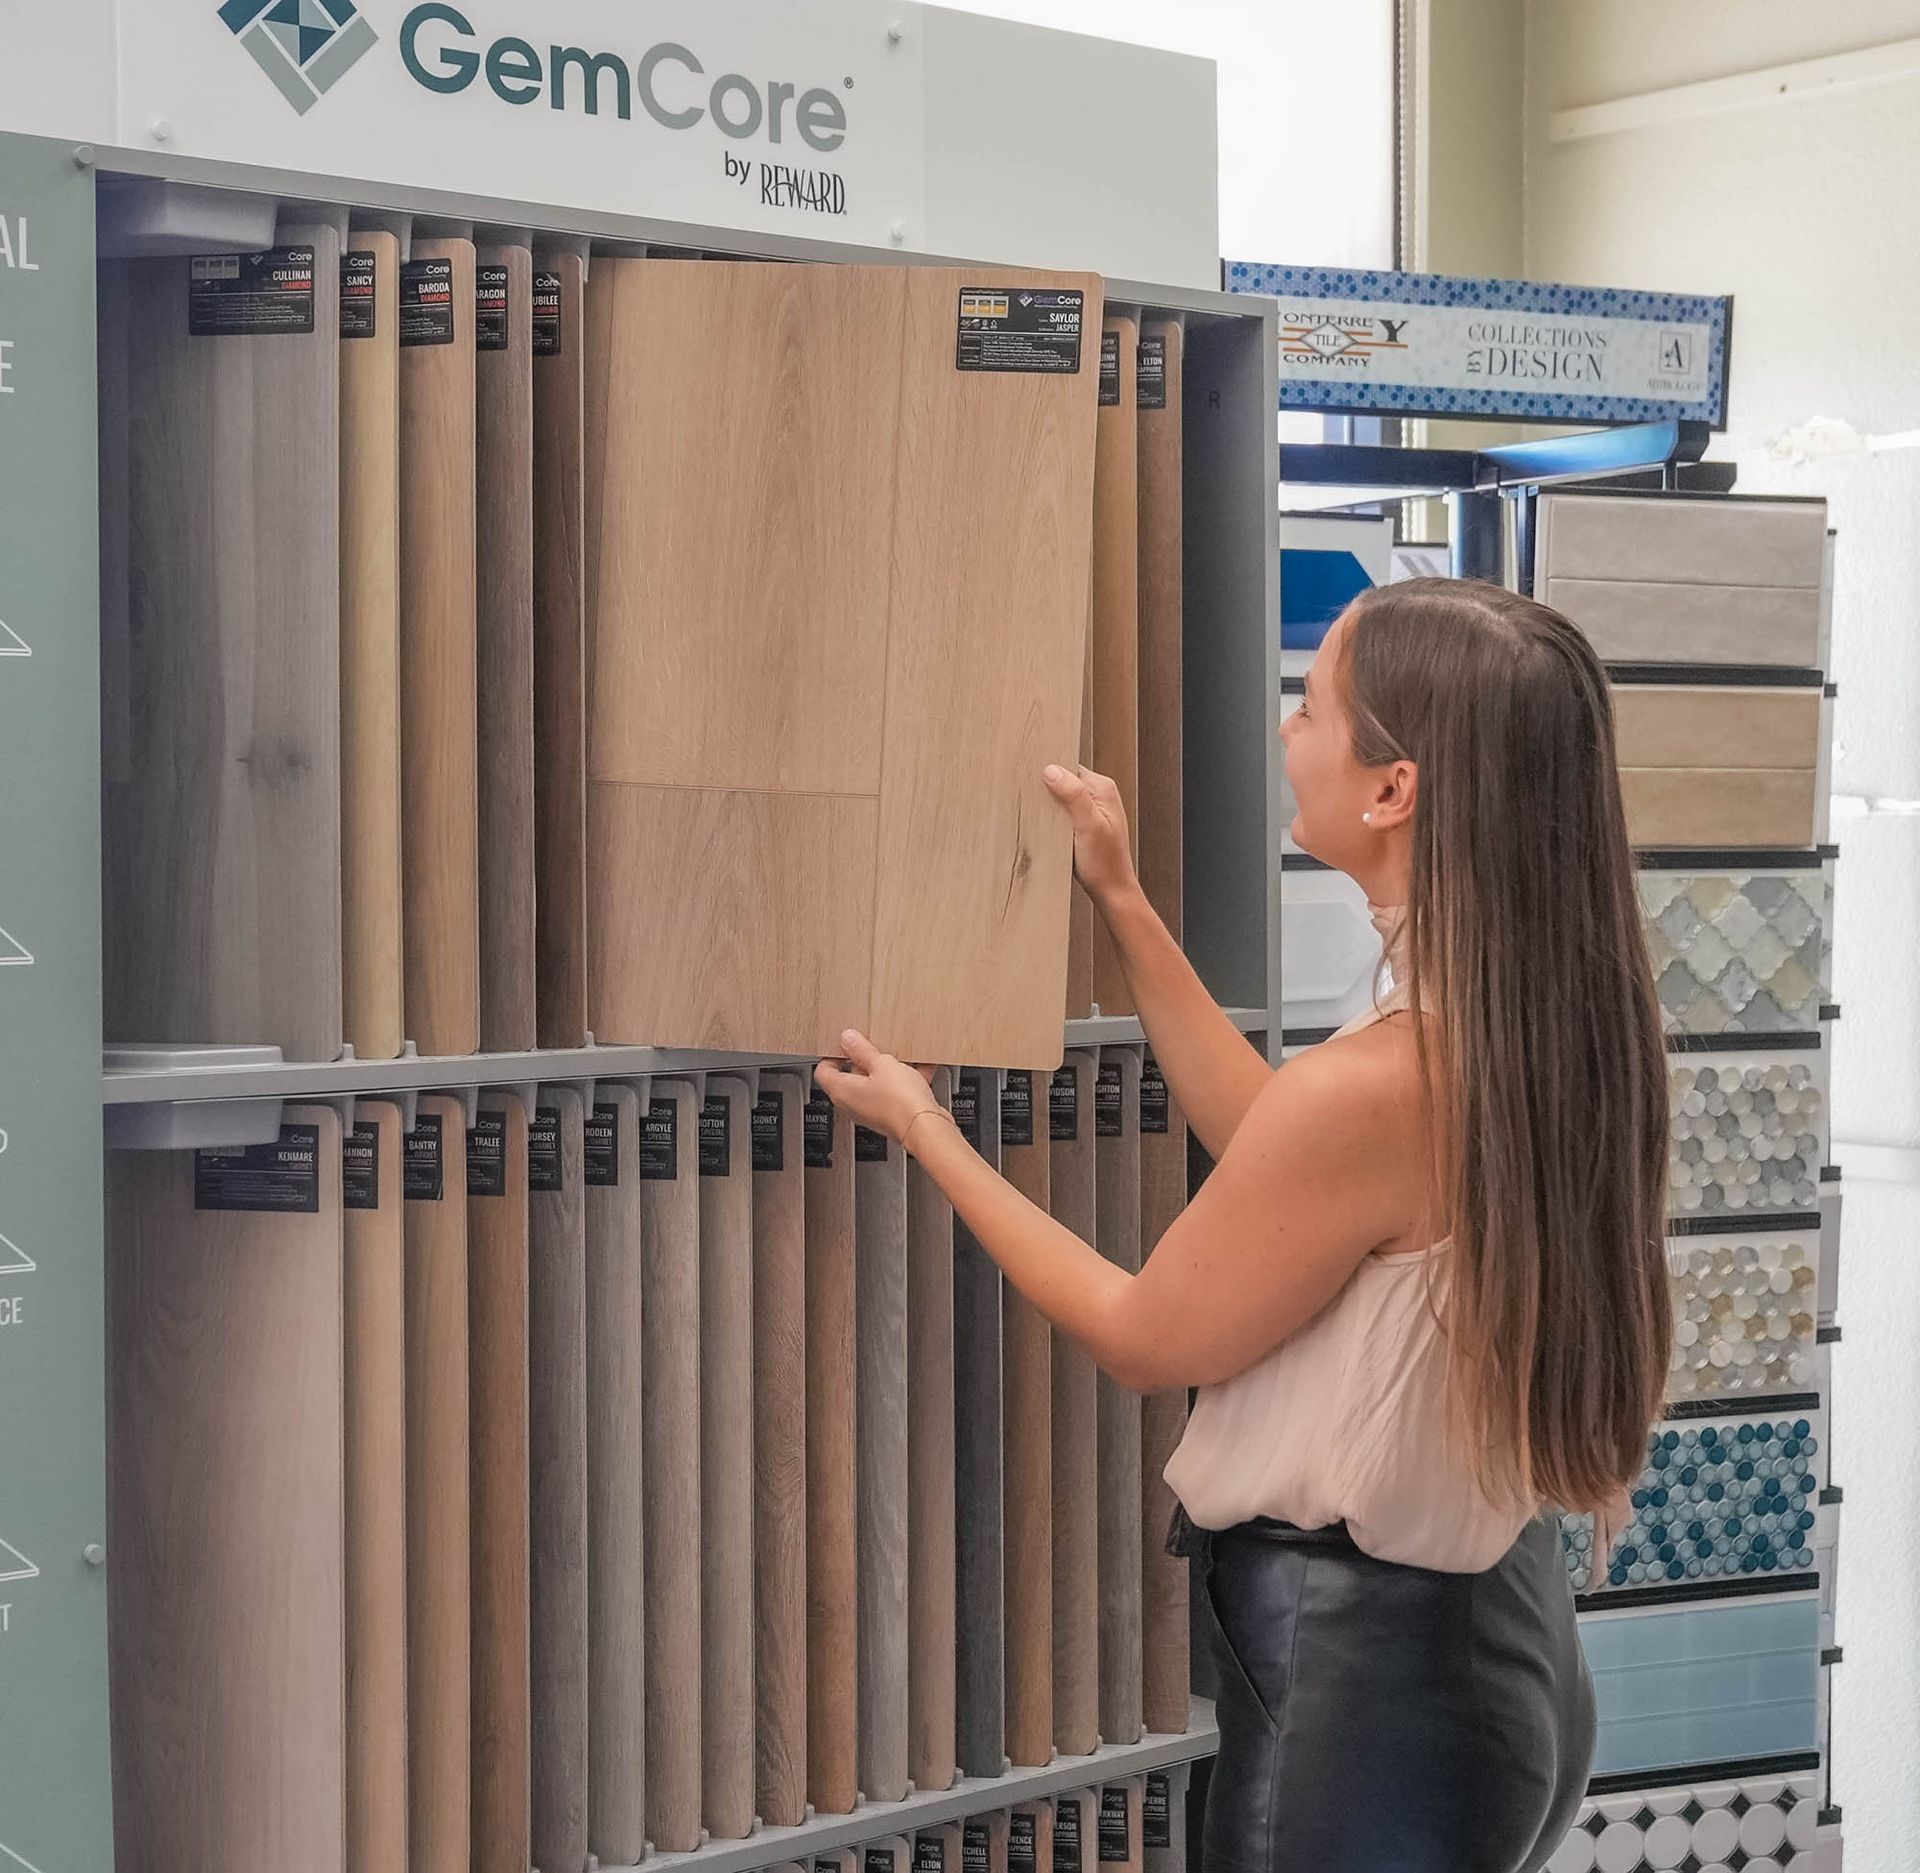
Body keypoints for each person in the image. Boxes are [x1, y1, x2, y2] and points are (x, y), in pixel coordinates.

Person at [812, 576, 1672, 1872]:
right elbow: (1290, 1153)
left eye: (1314, 705)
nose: (1286, 729)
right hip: (1498, 1654)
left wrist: (928, 1129)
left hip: (1362, 1703)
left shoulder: (1389, 1079)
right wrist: (1125, 901)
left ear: (1395, 789)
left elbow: (1145, 1333)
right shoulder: (1526, 1029)